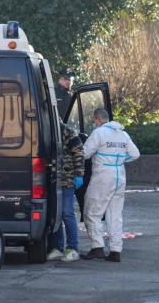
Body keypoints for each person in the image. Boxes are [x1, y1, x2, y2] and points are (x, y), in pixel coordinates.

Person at [81, 109, 140, 262]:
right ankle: (115, 251)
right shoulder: (123, 134)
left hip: (102, 176)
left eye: (95, 121)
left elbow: (85, 153)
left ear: (97, 120)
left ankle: (97, 247)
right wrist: (118, 159)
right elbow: (135, 154)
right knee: (115, 215)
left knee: (92, 212)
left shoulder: (98, 133)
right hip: (120, 176)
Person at [47, 121, 85, 262]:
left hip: (66, 179)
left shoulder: (67, 131)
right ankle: (58, 247)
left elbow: (79, 152)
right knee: (55, 213)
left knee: (66, 213)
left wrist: (79, 174)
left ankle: (72, 248)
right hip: (52, 180)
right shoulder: (47, 128)